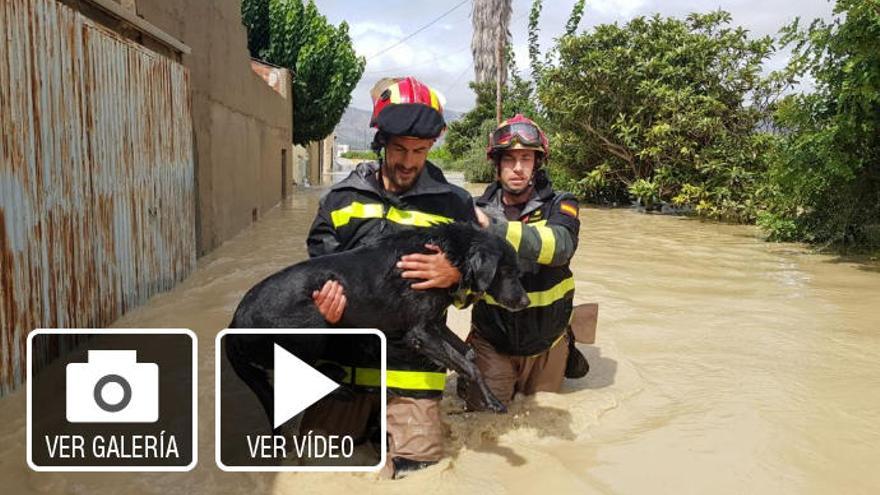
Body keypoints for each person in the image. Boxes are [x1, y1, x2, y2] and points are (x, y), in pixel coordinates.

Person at [303, 76, 477, 478]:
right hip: (343, 369)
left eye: (420, 150)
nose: (408, 161)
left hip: (414, 373)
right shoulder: (339, 201)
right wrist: (323, 306)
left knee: (422, 476)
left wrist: (455, 276)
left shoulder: (455, 205)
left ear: (432, 146)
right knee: (315, 468)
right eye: (399, 148)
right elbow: (315, 274)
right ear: (381, 142)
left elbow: (475, 294)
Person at [459, 114, 589, 410]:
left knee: (544, 419)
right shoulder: (475, 210)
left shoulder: (562, 204)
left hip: (548, 343)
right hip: (492, 342)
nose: (518, 168)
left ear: (536, 163)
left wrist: (493, 229)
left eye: (526, 158)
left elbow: (561, 247)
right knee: (483, 423)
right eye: (510, 159)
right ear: (497, 164)